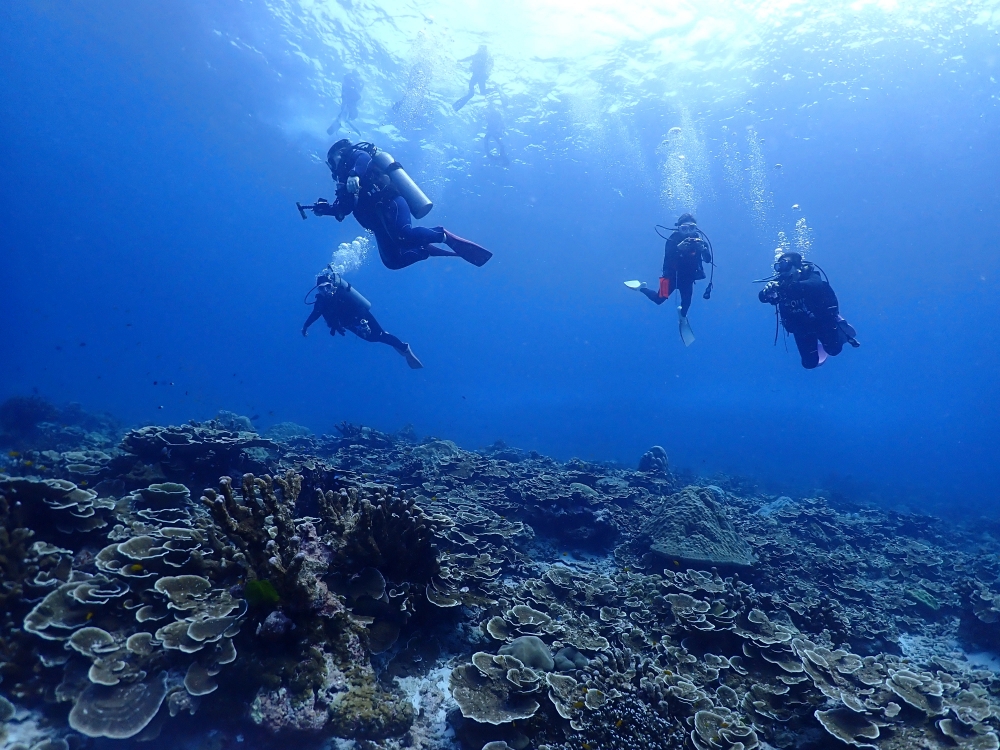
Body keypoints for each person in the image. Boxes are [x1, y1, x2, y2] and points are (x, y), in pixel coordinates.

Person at [309, 140, 492, 270]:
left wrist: (354, 174)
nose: (331, 167)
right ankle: (423, 249)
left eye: (331, 161)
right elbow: (344, 208)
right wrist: (325, 209)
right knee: (392, 261)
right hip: (378, 223)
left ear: (338, 153)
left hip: (390, 202)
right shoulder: (343, 180)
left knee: (404, 235)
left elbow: (363, 159)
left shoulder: (353, 156)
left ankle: (442, 235)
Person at [302, 269, 423, 369]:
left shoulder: (341, 294)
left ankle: (404, 348)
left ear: (332, 285)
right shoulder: (320, 302)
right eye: (321, 288)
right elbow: (315, 314)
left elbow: (358, 307)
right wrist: (306, 326)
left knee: (379, 335)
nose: (325, 291)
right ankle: (392, 341)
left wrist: (363, 322)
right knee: (372, 339)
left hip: (362, 317)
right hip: (348, 324)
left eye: (327, 286)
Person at [757, 251, 859, 369]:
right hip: (801, 327)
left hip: (821, 321)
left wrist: (784, 288)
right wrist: (766, 292)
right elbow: (762, 298)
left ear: (797, 267)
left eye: (785, 265)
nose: (782, 270)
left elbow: (814, 285)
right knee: (809, 364)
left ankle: (839, 325)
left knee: (834, 350)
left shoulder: (811, 277)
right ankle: (820, 347)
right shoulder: (780, 284)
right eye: (779, 267)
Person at [624, 213, 714, 346]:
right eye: (684, 228)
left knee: (686, 304)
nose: (688, 232)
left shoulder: (699, 241)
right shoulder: (672, 240)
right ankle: (641, 287)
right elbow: (668, 258)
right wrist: (678, 248)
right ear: (679, 228)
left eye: (692, 228)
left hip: (687, 279)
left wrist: (704, 250)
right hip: (670, 277)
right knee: (659, 300)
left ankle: (682, 316)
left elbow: (708, 260)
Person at [453, 45, 493, 111]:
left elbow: (469, 58)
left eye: (481, 49)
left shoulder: (485, 57)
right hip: (476, 76)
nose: (480, 51)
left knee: (482, 92)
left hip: (481, 77)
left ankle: (496, 89)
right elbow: (468, 58)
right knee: (476, 90)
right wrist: (460, 60)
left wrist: (460, 60)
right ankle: (470, 95)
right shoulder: (477, 56)